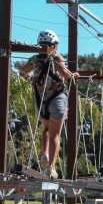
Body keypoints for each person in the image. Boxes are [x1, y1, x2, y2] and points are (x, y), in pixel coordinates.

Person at [19, 29, 79, 179]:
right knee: (53, 133)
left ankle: (46, 157)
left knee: (47, 130)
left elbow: (23, 72)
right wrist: (73, 75)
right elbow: (66, 75)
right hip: (53, 98)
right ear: (54, 45)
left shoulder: (36, 59)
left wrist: (30, 77)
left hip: (45, 98)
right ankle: (49, 164)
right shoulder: (55, 57)